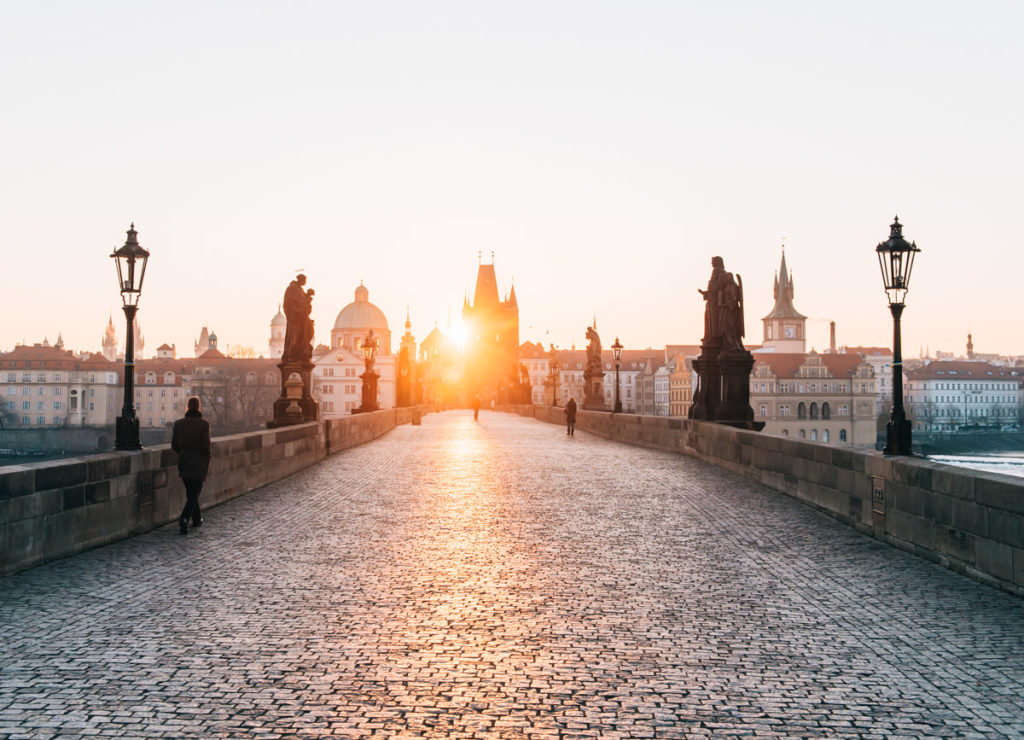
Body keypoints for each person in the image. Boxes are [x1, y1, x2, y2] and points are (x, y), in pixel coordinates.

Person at [172, 396, 211, 535]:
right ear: (199, 407)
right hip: (199, 462)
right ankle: (184, 519)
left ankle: (196, 519)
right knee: (194, 493)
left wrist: (184, 453)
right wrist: (206, 461)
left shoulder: (178, 424)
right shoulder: (204, 424)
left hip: (184, 461)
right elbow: (206, 447)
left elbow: (174, 445)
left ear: (187, 407)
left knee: (191, 492)